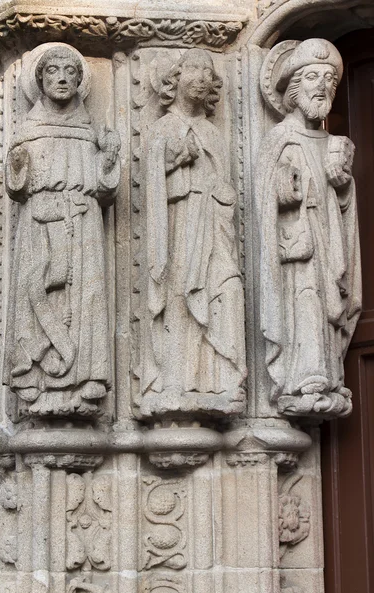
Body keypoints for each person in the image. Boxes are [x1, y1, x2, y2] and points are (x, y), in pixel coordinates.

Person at [3, 44, 120, 416]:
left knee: (86, 298)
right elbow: (17, 187)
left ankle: (88, 375)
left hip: (83, 222)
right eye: (53, 71)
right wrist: (19, 165)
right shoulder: (29, 129)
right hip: (40, 220)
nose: (63, 78)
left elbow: (104, 190)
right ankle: (33, 370)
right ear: (40, 80)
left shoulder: (89, 131)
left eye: (70, 71)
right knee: (35, 293)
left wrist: (108, 159)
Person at [257, 39, 362, 417]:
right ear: (294, 87)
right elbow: (264, 197)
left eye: (329, 80)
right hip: (296, 242)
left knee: (326, 301)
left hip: (328, 237)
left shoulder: (334, 143)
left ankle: (330, 375)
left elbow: (345, 207)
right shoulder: (279, 139)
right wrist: (285, 187)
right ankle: (304, 375)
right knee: (303, 298)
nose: (322, 85)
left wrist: (342, 183)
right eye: (313, 77)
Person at [140, 49, 246, 416]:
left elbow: (225, 183)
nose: (201, 77)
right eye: (193, 69)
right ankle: (176, 381)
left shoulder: (212, 133)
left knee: (225, 291)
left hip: (215, 230)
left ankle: (222, 380)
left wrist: (223, 196)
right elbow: (150, 188)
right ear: (174, 77)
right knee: (181, 299)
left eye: (208, 70)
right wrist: (172, 163)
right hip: (180, 230)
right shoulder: (164, 128)